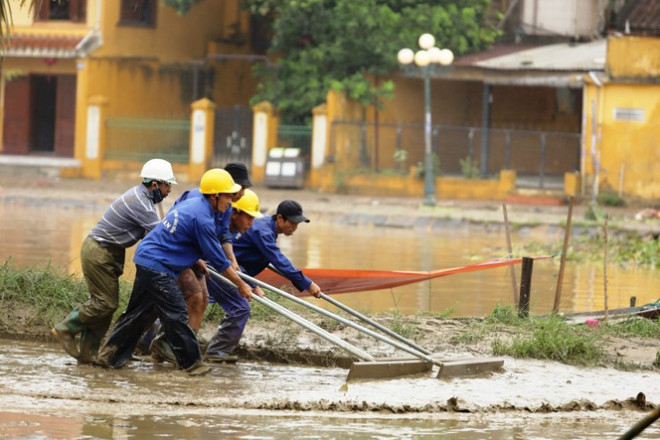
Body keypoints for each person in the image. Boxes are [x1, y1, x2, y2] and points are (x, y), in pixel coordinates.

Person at [95, 168, 253, 376]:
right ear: (215, 196)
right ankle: (192, 364)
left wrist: (195, 261)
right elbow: (219, 261)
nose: (230, 201)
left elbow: (184, 240)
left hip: (147, 258)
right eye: (227, 196)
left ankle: (108, 356)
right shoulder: (202, 218)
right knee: (177, 313)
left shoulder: (196, 205)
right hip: (157, 265)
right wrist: (242, 285)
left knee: (138, 314)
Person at [51, 158, 176, 363]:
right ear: (154, 184)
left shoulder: (143, 198)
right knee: (105, 303)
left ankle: (88, 354)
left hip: (108, 252)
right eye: (167, 185)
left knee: (104, 307)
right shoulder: (141, 203)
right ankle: (65, 328)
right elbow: (161, 234)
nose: (169, 190)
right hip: (99, 251)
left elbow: (151, 232)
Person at [146, 162, 253, 362]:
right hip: (178, 253)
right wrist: (240, 283)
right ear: (221, 189)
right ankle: (165, 346)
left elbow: (223, 235)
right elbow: (182, 229)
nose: (242, 193)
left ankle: (179, 350)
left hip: (195, 255)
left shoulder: (225, 205)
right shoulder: (199, 200)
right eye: (241, 188)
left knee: (202, 300)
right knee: (192, 298)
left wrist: (233, 260)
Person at [205, 199, 322, 363]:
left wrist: (253, 285)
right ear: (280, 218)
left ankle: (163, 336)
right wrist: (308, 284)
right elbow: (279, 261)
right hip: (220, 266)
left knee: (196, 302)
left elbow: (247, 261)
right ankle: (216, 352)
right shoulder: (263, 231)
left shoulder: (267, 228)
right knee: (240, 307)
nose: (295, 228)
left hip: (228, 269)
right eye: (293, 223)